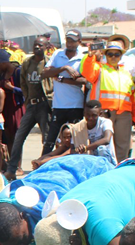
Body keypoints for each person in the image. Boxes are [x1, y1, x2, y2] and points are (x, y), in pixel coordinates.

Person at [80, 42, 135, 162]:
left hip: (124, 114)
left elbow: (133, 96)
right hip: (105, 114)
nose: (113, 57)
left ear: (121, 56)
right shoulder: (99, 69)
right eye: (110, 54)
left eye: (116, 54)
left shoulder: (126, 73)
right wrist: (90, 56)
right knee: (103, 146)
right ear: (105, 55)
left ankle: (121, 170)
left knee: (123, 146)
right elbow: (86, 71)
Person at [9, 37, 52, 173]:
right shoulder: (28, 62)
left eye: (40, 45)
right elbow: (23, 82)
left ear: (46, 47)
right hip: (31, 105)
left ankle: (43, 166)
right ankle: (12, 168)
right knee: (19, 136)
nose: (37, 47)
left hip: (44, 104)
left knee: (46, 138)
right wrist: (27, 100)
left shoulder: (49, 62)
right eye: (35, 45)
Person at [42, 29, 86, 158]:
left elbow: (84, 80)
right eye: (68, 40)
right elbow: (45, 73)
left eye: (73, 41)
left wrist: (61, 78)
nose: (70, 43)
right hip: (59, 104)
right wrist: (64, 68)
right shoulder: (58, 54)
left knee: (74, 139)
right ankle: (42, 165)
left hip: (75, 104)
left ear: (79, 42)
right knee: (51, 139)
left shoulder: (83, 57)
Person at [70, 100, 117, 164]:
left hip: (107, 161)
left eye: (94, 115)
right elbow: (72, 149)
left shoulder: (105, 122)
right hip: (88, 162)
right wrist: (78, 150)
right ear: (84, 113)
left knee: (101, 149)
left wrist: (86, 148)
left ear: (100, 114)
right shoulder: (77, 128)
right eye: (88, 115)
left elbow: (107, 139)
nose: (90, 118)